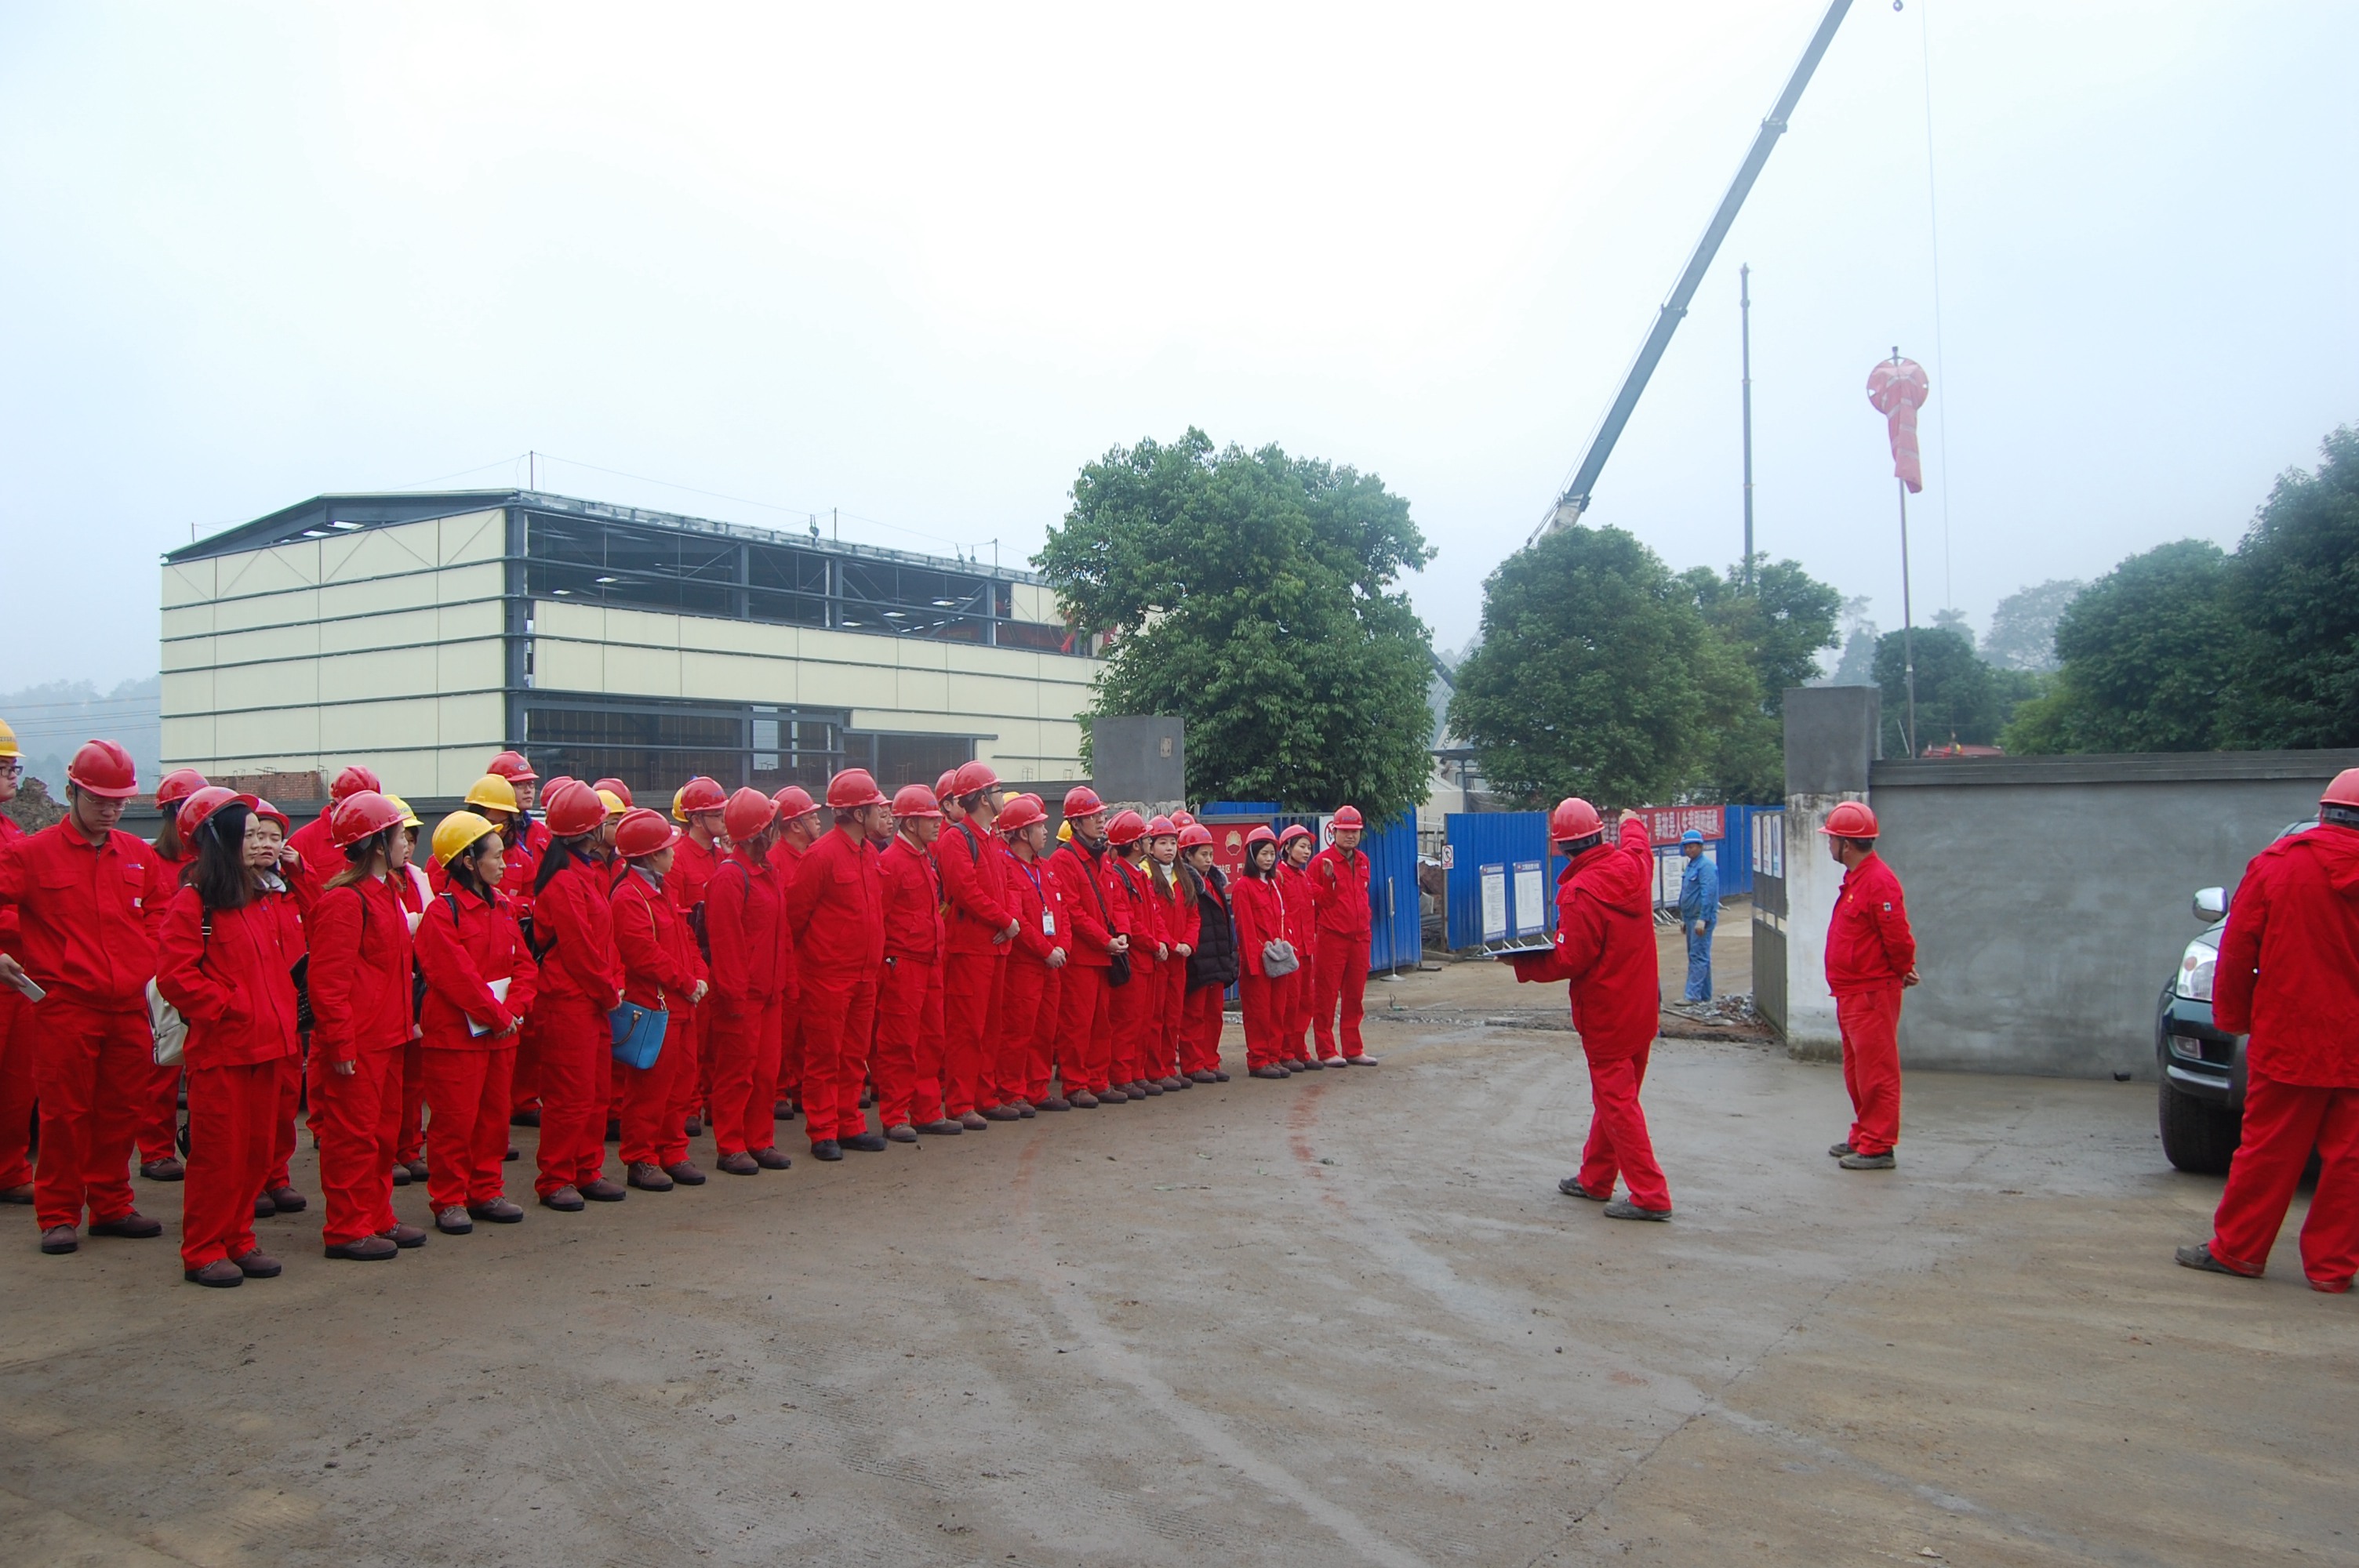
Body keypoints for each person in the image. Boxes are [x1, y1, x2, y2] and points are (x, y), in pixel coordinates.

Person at [2177, 769, 2359, 1291]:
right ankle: (2332, 1270)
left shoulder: (2279, 864)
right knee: (2352, 1161)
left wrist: (2234, 1019)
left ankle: (2239, 1251)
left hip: (2291, 1035)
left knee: (2268, 1149)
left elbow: (2238, 950)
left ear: (2323, 811)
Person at [0, 740, 166, 1255]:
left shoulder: (138, 855)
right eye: (99, 800)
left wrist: (147, 960)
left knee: (121, 1110)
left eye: (120, 802)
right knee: (64, 1114)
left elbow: (161, 914)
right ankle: (58, 1214)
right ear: (72, 791)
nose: (111, 810)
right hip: (65, 1007)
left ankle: (112, 1205)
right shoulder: (31, 854)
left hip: (127, 1006)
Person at [154, 790, 300, 1285]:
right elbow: (176, 976)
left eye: (261, 834)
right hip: (224, 1052)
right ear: (221, 840)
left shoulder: (258, 897)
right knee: (219, 1157)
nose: (258, 842)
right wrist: (229, 1007)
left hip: (269, 1047)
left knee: (257, 1153)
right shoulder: (194, 902)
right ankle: (203, 1249)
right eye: (249, 834)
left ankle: (238, 1239)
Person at [1510, 800, 1671, 1221]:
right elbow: (1638, 845)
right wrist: (1633, 822)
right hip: (1641, 1008)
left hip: (1606, 1016)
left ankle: (1651, 1195)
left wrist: (1521, 964)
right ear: (1600, 834)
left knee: (1618, 1103)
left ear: (1563, 848)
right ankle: (1596, 1178)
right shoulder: (1634, 868)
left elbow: (1570, 959)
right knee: (1614, 1098)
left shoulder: (1579, 893)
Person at [307, 789, 423, 1259]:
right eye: (399, 836)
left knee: (381, 1133)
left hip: (388, 1036)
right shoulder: (346, 901)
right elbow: (328, 982)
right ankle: (347, 1227)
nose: (406, 844)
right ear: (377, 845)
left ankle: (376, 1216)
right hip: (361, 1041)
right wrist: (340, 1045)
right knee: (352, 1136)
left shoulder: (386, 892)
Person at [413, 809, 537, 1233]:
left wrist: (514, 1010)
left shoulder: (502, 906)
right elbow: (455, 976)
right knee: (454, 1122)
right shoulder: (442, 913)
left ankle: (486, 1189)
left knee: (493, 1118)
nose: (504, 864)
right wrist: (500, 1014)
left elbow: (525, 966)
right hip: (456, 1037)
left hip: (499, 1033)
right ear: (468, 861)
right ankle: (449, 1198)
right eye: (496, 856)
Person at [528, 779, 627, 1210]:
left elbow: (600, 941)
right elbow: (579, 948)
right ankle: (555, 1177)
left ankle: (586, 1169)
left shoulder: (581, 872)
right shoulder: (567, 881)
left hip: (588, 999)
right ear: (591, 830)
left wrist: (609, 985)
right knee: (569, 1095)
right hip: (570, 1001)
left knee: (595, 1092)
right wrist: (607, 989)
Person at [787, 769, 889, 1160]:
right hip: (827, 975)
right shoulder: (821, 856)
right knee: (825, 1055)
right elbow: (796, 916)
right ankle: (823, 1131)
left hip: (864, 974)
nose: (881, 813)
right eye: (874, 807)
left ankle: (849, 1123)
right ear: (858, 814)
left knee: (853, 1054)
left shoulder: (868, 853)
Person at [609, 808, 708, 1192]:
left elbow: (686, 937)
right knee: (650, 1089)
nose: (673, 854)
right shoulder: (629, 896)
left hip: (678, 1003)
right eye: (667, 849)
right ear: (651, 856)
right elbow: (642, 954)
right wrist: (688, 981)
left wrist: (699, 975)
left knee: (681, 1083)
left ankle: (672, 1150)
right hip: (656, 1005)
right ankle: (642, 1158)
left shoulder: (661, 889)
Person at [1819, 800, 1918, 1171]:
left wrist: (1903, 969)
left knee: (1876, 1071)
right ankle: (1865, 1133)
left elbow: (1898, 936)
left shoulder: (1878, 881)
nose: (1829, 844)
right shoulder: (1858, 880)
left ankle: (1878, 1145)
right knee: (1858, 1072)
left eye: (1832, 838)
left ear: (1846, 844)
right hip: (1852, 992)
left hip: (1871, 992)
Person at [703, 789, 794, 1176]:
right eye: (772, 825)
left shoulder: (766, 872)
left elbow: (781, 934)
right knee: (737, 1073)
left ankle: (759, 1140)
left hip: (769, 993)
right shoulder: (730, 876)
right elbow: (726, 944)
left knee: (766, 1073)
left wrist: (785, 983)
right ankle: (731, 1145)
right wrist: (735, 998)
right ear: (759, 832)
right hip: (743, 997)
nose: (777, 832)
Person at [936, 762, 1022, 1125]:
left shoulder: (991, 838)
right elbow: (965, 891)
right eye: (997, 790)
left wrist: (1009, 920)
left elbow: (1009, 885)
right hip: (971, 948)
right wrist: (1005, 920)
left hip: (995, 944)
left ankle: (985, 1096)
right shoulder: (957, 839)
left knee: (991, 1026)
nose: (1002, 797)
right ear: (983, 798)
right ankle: (960, 1103)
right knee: (967, 1028)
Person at [136, 766, 210, 1182]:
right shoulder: (150, 861)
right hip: (161, 980)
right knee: (161, 1070)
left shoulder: (208, 864)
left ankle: (201, 1143)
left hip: (202, 976)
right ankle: (155, 1151)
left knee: (202, 1070)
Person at [245, 798, 312, 1218]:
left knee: (285, 1102)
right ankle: (250, 1182)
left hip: (288, 1015)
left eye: (274, 837)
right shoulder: (236, 893)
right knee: (251, 1109)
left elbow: (321, 913)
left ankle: (276, 1176)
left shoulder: (286, 891)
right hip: (253, 1015)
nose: (266, 845)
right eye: (257, 836)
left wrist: (301, 872)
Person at [875, 784, 952, 1142]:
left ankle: (926, 1110)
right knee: (899, 1041)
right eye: (929, 818)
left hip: (929, 960)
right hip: (904, 963)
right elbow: (880, 917)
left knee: (931, 1039)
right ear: (910, 824)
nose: (937, 823)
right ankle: (894, 1115)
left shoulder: (922, 858)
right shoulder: (891, 863)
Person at [1047, 786, 1127, 1108]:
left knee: (1101, 1022)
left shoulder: (1101, 857)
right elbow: (1072, 911)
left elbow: (1116, 900)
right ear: (1076, 823)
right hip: (1082, 957)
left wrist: (1122, 932)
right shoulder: (1064, 860)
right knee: (1076, 1024)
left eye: (1101, 815)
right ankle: (1076, 1084)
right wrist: (1104, 939)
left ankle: (1097, 1080)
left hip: (1104, 954)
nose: (1101, 821)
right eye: (1093, 816)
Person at [995, 795, 1069, 1111]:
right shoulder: (1007, 868)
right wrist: (1046, 950)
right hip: (1025, 964)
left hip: (1050, 962)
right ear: (1023, 833)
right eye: (1039, 826)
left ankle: (1037, 1089)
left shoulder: (1045, 867)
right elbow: (1018, 921)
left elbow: (1062, 912)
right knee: (1018, 1030)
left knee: (1044, 1029)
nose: (1046, 831)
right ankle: (1011, 1091)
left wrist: (1062, 946)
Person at [670, 775, 729, 1137]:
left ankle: (711, 1101)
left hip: (721, 958)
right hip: (695, 960)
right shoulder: (677, 859)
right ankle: (689, 1106)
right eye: (716, 814)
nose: (723, 819)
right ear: (696, 819)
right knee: (694, 1041)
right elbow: (676, 918)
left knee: (719, 1040)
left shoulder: (723, 857)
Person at [765, 785, 822, 1121]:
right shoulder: (775, 860)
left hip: (811, 957)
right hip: (788, 956)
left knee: (805, 1029)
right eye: (812, 817)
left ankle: (799, 1086)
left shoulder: (812, 856)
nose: (819, 822)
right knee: (784, 1029)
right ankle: (777, 1091)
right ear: (795, 825)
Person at [1307, 805, 1378, 1069]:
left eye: (1355, 831)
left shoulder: (1363, 861)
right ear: (1334, 832)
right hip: (1332, 937)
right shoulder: (1320, 863)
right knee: (1325, 996)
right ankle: (1326, 1050)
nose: (1350, 836)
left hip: (1360, 937)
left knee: (1354, 996)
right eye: (1345, 830)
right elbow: (1313, 901)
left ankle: (1353, 1048)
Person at [1230, 827, 1295, 1081]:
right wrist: (1253, 963)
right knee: (1259, 1013)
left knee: (1277, 1010)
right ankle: (1258, 1059)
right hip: (1258, 959)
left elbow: (1283, 919)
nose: (1269, 859)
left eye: (1272, 854)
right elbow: (1244, 928)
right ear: (1252, 855)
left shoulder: (1275, 884)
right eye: (1264, 854)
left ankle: (1273, 1056)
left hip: (1278, 957)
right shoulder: (1244, 887)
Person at [1177, 824, 1237, 1083]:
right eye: (1203, 854)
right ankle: (1193, 1063)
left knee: (1214, 1015)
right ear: (1188, 855)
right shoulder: (1186, 884)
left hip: (1217, 958)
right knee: (1194, 1015)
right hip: (1198, 960)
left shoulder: (1214, 882)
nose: (1209, 859)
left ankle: (1211, 1060)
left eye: (1211, 854)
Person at [0, 717, 31, 1209]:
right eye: (4, 767)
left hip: (19, 978)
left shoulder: (12, 831)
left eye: (13, 767)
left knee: (18, 1083)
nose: (12, 774)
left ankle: (9, 1170)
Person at [1147, 818, 1195, 1093]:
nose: (1169, 848)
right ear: (1150, 846)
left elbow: (1193, 914)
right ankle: (1155, 1069)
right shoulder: (1146, 875)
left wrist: (1188, 943)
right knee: (1156, 1016)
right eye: (1163, 842)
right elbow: (1152, 917)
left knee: (1173, 1015)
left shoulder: (1182, 876)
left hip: (1179, 958)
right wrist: (1171, 943)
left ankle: (1167, 1067)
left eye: (1173, 843)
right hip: (1160, 956)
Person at [286, 764, 383, 887]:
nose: (361, 817)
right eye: (353, 811)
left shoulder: (380, 838)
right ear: (333, 806)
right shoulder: (302, 842)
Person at [1276, 825, 1320, 1071]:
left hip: (1306, 949)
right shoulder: (1279, 876)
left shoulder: (1304, 878)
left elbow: (1325, 900)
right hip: (1290, 950)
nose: (1306, 852)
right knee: (1289, 1002)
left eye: (1309, 848)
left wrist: (1330, 879)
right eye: (1302, 846)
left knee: (1306, 1001)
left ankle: (1299, 1049)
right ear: (1287, 848)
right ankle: (1285, 1051)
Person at [1678, 829, 1719, 1004]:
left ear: (1700, 847)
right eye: (1686, 847)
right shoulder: (1692, 866)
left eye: (1692, 846)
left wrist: (1703, 919)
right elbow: (1687, 893)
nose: (1689, 850)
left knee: (1698, 956)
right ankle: (1704, 995)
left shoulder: (1706, 867)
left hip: (1700, 918)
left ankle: (1692, 996)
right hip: (1690, 918)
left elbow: (1708, 894)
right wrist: (1683, 918)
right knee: (1699, 956)